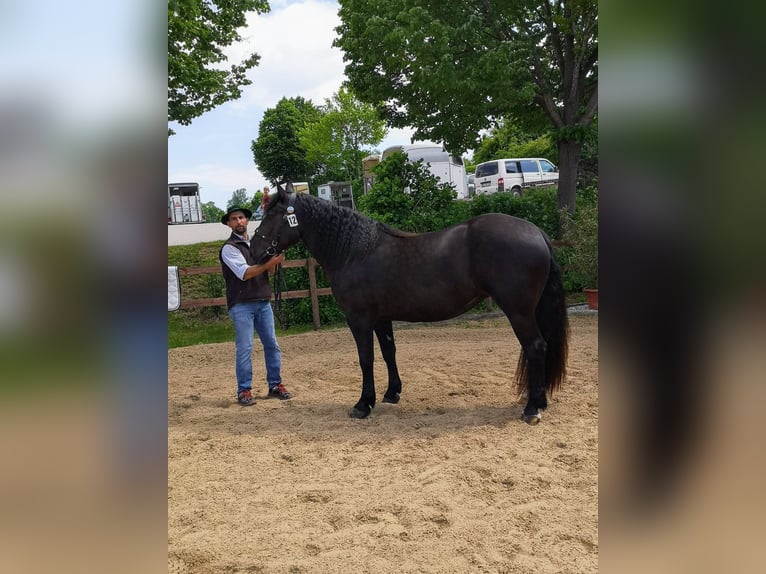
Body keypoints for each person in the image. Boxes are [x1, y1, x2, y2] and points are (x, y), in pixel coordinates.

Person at [219, 205, 292, 406]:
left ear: (247, 220)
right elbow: (245, 273)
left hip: (262, 301)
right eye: (234, 219)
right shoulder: (229, 248)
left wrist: (275, 263)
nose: (238, 222)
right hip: (241, 304)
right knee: (245, 348)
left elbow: (269, 272)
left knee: (272, 345)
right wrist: (270, 263)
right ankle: (244, 390)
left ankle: (275, 384)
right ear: (229, 224)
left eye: (241, 218)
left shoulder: (257, 245)